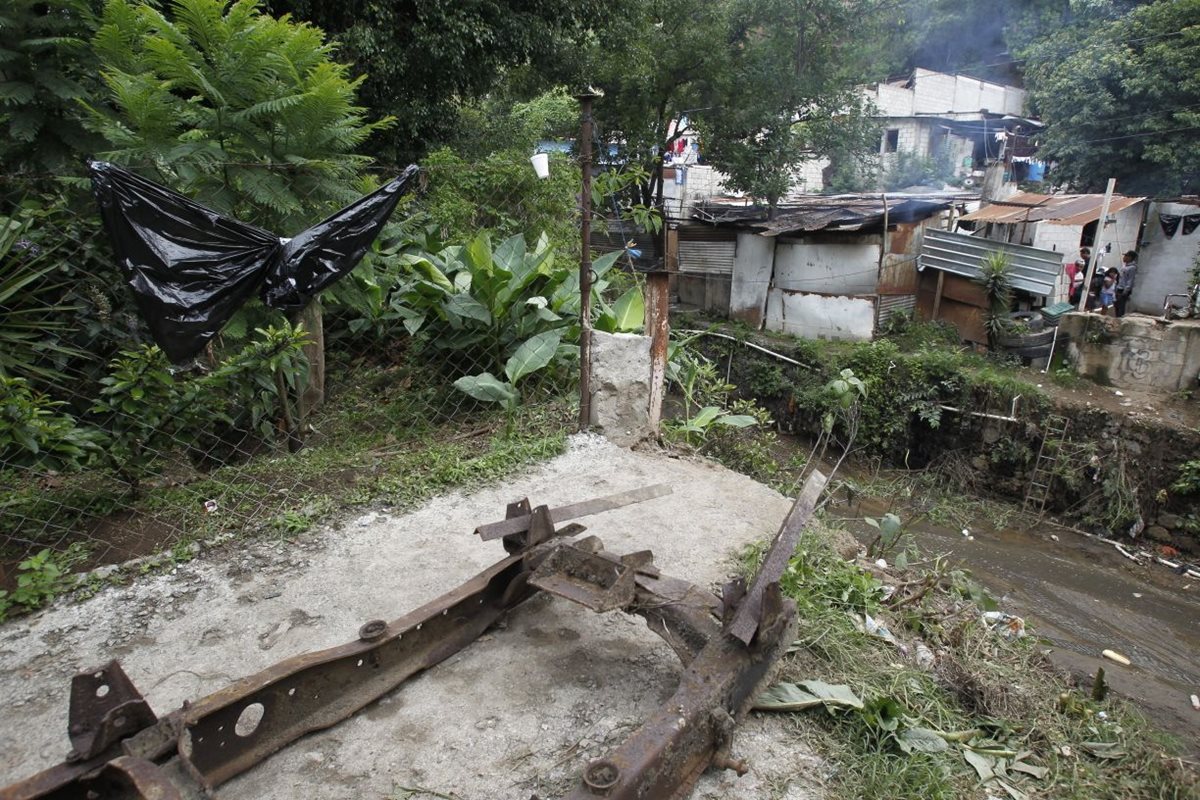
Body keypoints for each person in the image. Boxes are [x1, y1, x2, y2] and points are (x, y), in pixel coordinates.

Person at [1116, 250, 1138, 317]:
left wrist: (1126, 290)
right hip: (1119, 288)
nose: (1124, 257)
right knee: (1116, 305)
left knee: (1121, 306)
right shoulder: (1125, 267)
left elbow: (1130, 280)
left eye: (1126, 256)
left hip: (1124, 289)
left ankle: (1120, 318)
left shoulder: (1132, 268)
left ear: (1130, 257)